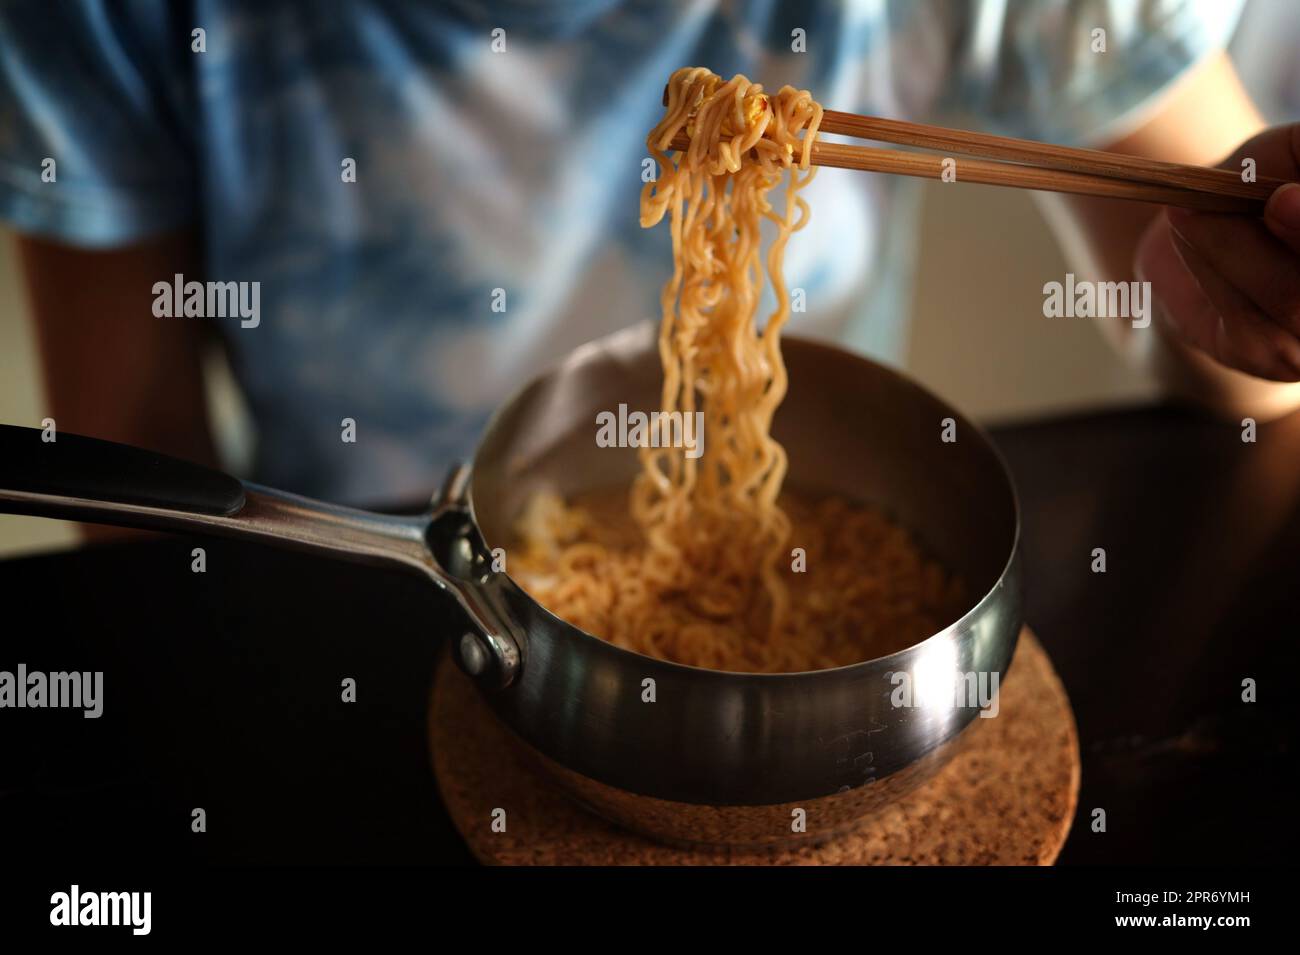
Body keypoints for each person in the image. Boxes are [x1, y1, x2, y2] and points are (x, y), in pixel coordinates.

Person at [2, 0, 1298, 511]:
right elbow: (131, 449)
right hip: (372, 589)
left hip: (801, 534)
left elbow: (1226, 330)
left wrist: (1256, 311)